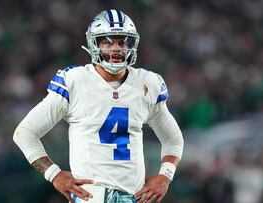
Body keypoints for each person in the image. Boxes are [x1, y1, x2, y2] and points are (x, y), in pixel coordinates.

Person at [13, 9, 184, 203]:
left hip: (134, 197)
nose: (116, 49)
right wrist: (54, 174)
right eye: (107, 42)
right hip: (92, 197)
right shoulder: (75, 81)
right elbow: (25, 133)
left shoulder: (148, 83)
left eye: (122, 42)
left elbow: (173, 139)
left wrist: (165, 176)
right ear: (94, 44)